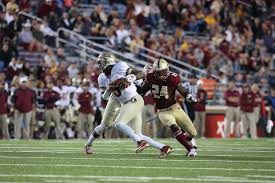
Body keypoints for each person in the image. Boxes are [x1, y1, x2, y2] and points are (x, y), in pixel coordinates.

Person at [85, 52, 172, 157]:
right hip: (116, 99)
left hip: (133, 99)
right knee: (105, 126)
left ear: (108, 62)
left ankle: (140, 142)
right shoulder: (101, 78)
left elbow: (139, 73)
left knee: (118, 123)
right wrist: (109, 90)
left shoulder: (120, 67)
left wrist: (128, 79)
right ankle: (164, 147)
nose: (99, 64)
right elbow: (104, 97)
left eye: (101, 62)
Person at [138, 59, 198, 156]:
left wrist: (187, 95)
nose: (162, 74)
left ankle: (188, 139)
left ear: (167, 69)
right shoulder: (150, 77)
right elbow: (141, 91)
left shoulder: (173, 78)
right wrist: (141, 83)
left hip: (175, 107)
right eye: (159, 72)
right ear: (154, 71)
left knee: (193, 133)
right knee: (173, 126)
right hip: (162, 111)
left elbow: (181, 88)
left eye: (163, 71)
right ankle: (190, 149)